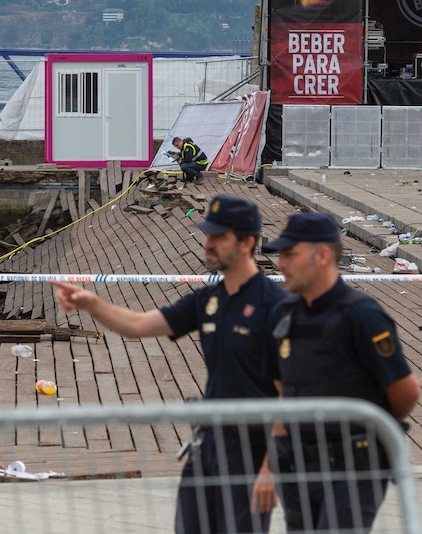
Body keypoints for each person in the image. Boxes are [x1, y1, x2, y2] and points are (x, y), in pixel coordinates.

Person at [51, 194, 285, 533]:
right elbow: (137, 326)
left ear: (248, 242)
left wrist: (270, 469)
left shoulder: (274, 305)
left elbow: (288, 393)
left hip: (251, 453)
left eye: (219, 237)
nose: (208, 243)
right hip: (207, 445)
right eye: (207, 234)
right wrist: (92, 304)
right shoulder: (208, 300)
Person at [261, 212, 419, 531]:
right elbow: (282, 389)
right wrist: (270, 463)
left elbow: (405, 391)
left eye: (290, 254)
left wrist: (373, 429)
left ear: (322, 255)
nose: (280, 264)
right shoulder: (284, 313)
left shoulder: (360, 315)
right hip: (298, 463)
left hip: (353, 466)